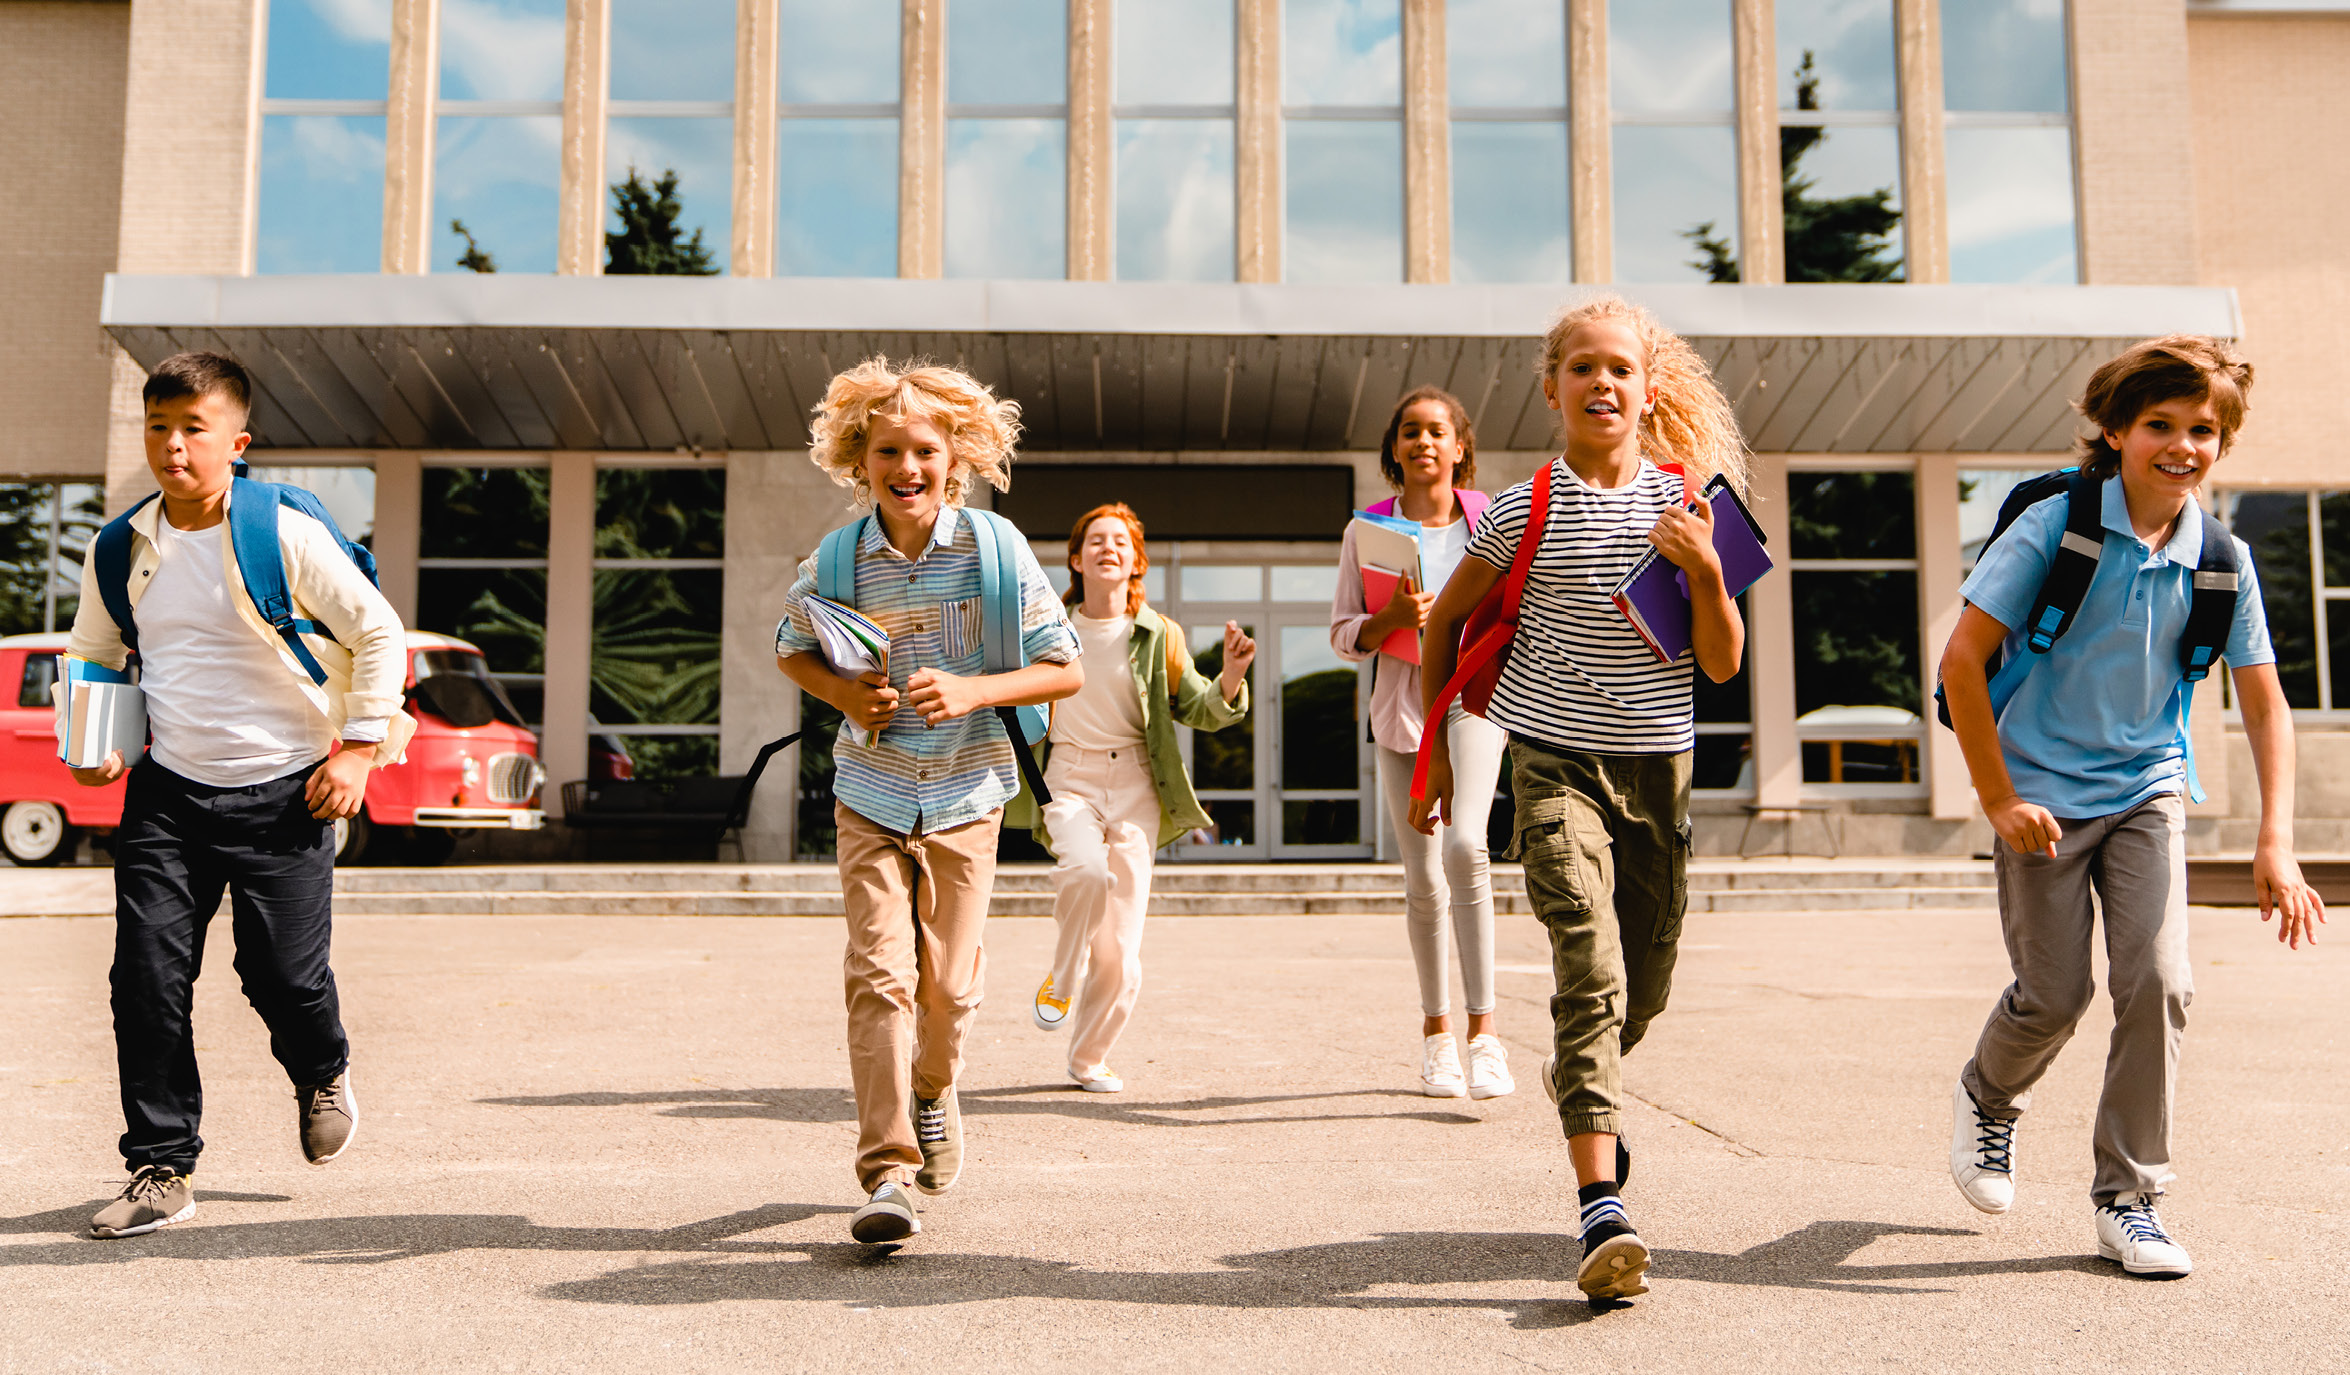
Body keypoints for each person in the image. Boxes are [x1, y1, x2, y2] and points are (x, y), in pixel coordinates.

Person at [1938, 336, 2323, 1278]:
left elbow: (2265, 701)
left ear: (2223, 443)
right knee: (2055, 994)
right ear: (2115, 430)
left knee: (2160, 981)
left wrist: (2278, 840)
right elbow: (1960, 661)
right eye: (2161, 424)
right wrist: (1998, 796)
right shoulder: (2056, 530)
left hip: (2148, 788)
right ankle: (1990, 1095)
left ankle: (2129, 1196)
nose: (2182, 445)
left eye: (2203, 429)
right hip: (2038, 796)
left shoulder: (2221, 559)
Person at [1414, 297, 1750, 1302]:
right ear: (1551, 385)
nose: (1602, 384)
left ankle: (1580, 1075)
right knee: (1588, 963)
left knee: (1640, 990)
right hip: (1552, 762)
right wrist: (1436, 752)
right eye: (1582, 368)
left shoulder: (1694, 505)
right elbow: (1445, 628)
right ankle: (1601, 1202)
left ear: (1649, 390)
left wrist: (1706, 575)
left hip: (1658, 770)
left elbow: (1723, 666)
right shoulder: (1523, 508)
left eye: (1620, 369)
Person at [68, 351, 415, 1239]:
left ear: (237, 441)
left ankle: (322, 1067)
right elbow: (97, 653)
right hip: (168, 799)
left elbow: (379, 630)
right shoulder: (121, 546)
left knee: (283, 977)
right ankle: (160, 1166)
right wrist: (93, 748)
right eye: (158, 427)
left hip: (287, 795)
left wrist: (361, 751)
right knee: (144, 979)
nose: (173, 445)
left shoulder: (279, 530)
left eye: (193, 428)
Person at [774, 357, 1083, 1246]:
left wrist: (976, 690)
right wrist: (841, 697)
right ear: (857, 459)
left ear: (955, 458)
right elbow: (793, 646)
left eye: (922, 450)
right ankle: (888, 1173)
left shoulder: (996, 548)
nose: (905, 467)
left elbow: (1064, 667)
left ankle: (935, 1084)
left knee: (946, 986)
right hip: (870, 787)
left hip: (965, 788)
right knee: (879, 976)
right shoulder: (836, 561)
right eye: (886, 451)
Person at [1016, 503, 1255, 1093]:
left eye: (1120, 542)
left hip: (1136, 787)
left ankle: (1088, 1058)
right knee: (1085, 871)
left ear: (1135, 561)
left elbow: (1198, 707)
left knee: (1122, 945)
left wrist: (1229, 674)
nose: (1108, 549)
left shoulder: (1159, 633)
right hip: (1068, 776)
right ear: (1076, 559)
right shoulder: (1051, 630)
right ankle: (1063, 974)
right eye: (1096, 541)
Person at [1327, 386, 1511, 1100]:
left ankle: (1486, 1033)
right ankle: (1438, 1037)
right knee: (1423, 878)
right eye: (1410, 432)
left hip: (1476, 700)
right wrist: (1391, 619)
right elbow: (1345, 634)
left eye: (1438, 431)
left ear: (1460, 447)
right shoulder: (1364, 532)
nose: (1424, 442)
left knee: (1469, 848)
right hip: (1401, 714)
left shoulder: (1490, 519)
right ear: (1395, 449)